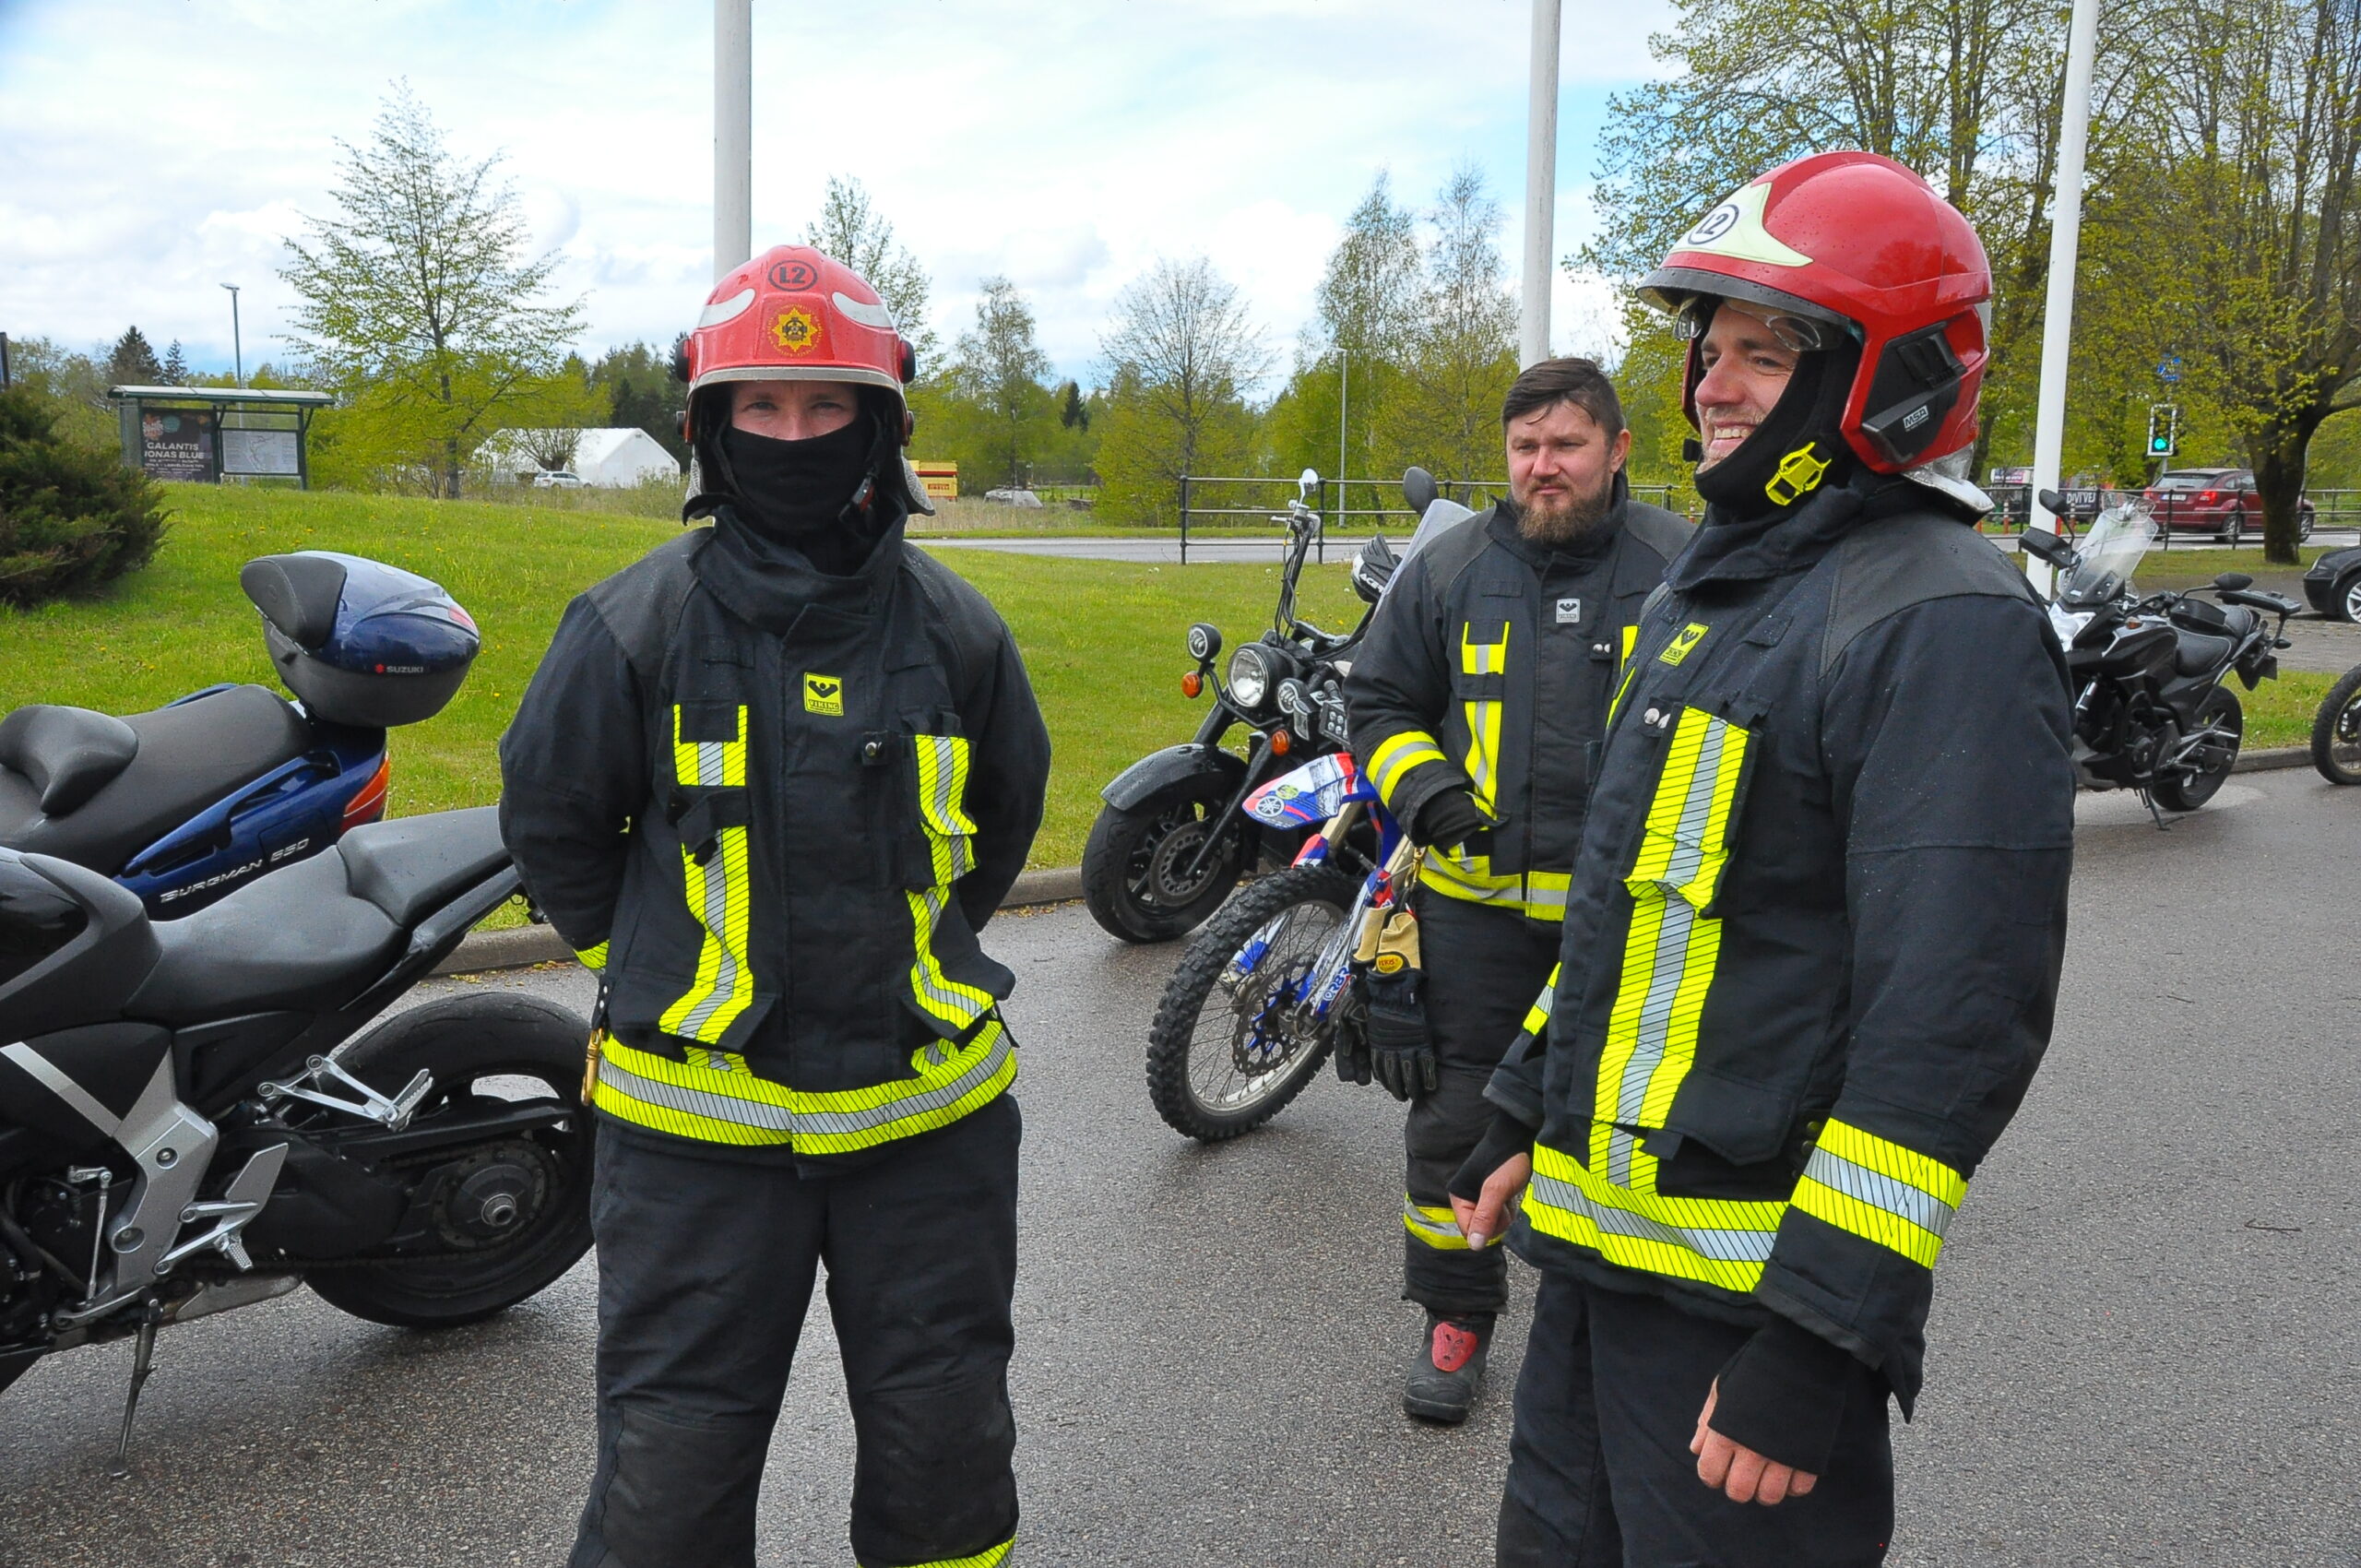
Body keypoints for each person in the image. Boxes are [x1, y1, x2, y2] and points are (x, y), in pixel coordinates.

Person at [1452, 151, 2076, 1565]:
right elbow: (1638, 914)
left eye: (1765, 353)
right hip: (1600, 1277)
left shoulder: (1943, 620)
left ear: (1884, 378)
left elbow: (1953, 1021)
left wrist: (1820, 1336)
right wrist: (1523, 1103)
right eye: (1709, 348)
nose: (1711, 387)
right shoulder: (1716, 586)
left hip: (1748, 1324)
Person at [499, 245, 1050, 1568]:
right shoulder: (629, 626)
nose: (794, 436)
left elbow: (998, 831)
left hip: (928, 1137)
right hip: (695, 1147)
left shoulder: (960, 632)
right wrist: (661, 956)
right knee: (668, 1485)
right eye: (762, 405)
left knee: (948, 1466)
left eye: (824, 406)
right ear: (711, 425)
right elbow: (555, 828)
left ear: (879, 426)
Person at [1344, 359, 1691, 1424]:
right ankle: (1455, 1315)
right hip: (1475, 920)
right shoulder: (1447, 568)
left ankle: (1635, 1329)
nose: (1544, 465)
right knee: (1454, 1129)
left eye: (1567, 444)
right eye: (1525, 446)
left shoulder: (1683, 564)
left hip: (1630, 922)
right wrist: (1427, 791)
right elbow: (1378, 700)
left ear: (1617, 449)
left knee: (1640, 1127)